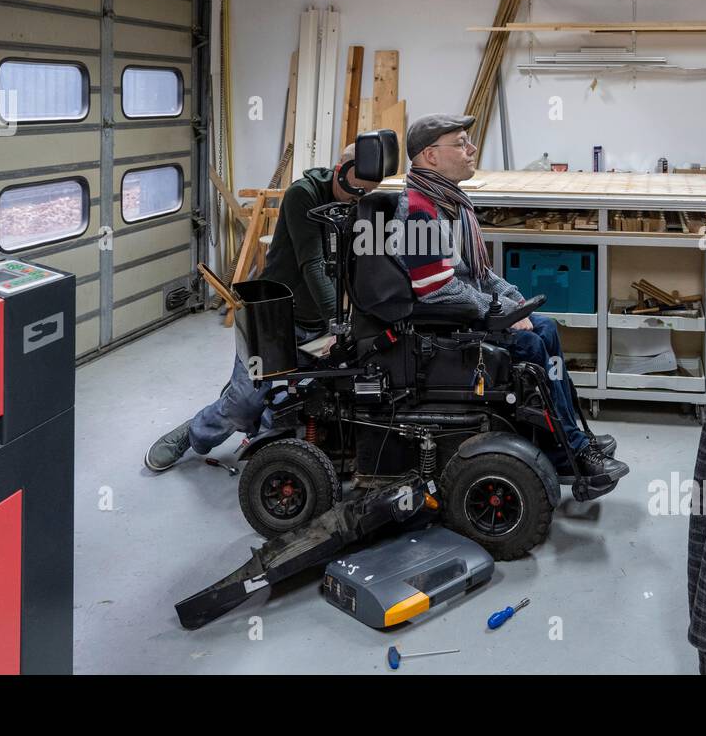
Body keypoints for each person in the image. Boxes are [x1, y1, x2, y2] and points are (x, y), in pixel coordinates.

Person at [394, 113, 626, 480]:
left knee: (545, 328)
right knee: (531, 346)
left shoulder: (451, 202)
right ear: (430, 156)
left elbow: (478, 275)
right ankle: (567, 452)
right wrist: (499, 312)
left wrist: (513, 300)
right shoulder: (420, 212)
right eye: (461, 143)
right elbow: (437, 289)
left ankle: (573, 438)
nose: (471, 150)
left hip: (463, 309)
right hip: (441, 323)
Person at [145, 144, 376, 471]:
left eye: (365, 195)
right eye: (355, 190)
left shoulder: (359, 205)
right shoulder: (303, 194)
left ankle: (261, 433)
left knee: (310, 398)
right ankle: (195, 432)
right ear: (341, 169)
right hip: (272, 316)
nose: (357, 200)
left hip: (319, 322)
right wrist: (340, 327)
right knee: (243, 404)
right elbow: (312, 264)